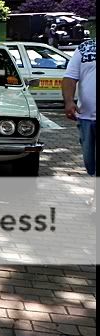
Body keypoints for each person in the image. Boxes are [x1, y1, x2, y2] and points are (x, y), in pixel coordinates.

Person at [62, 38, 96, 212]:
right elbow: (70, 77)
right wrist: (69, 101)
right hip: (87, 117)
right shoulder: (85, 48)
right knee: (91, 161)